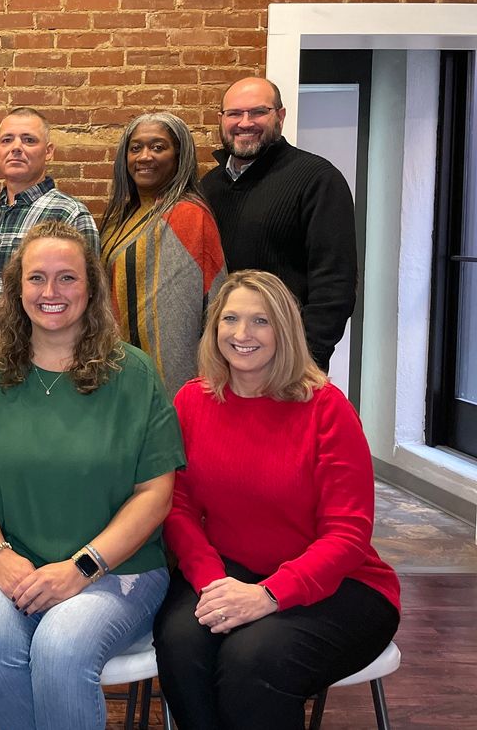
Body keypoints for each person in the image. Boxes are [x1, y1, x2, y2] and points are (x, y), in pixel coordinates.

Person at [0, 220, 184, 730]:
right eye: (37, 278)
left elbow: (156, 493)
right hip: (10, 556)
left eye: (67, 278)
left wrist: (82, 567)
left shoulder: (135, 373)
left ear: (92, 287)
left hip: (118, 569)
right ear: (17, 290)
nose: (50, 292)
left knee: (60, 649)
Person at [153, 270, 400, 730]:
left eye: (260, 321)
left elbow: (348, 535)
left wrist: (269, 595)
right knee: (181, 644)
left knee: (252, 662)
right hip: (229, 569)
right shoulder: (193, 401)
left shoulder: (327, 408)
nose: (242, 334)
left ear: (284, 330)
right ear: (215, 329)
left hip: (343, 584)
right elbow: (179, 505)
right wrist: (211, 582)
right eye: (231, 319)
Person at [201, 77, 357, 370]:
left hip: (288, 367)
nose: (245, 122)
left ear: (280, 116)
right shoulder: (209, 186)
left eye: (258, 112)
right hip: (223, 359)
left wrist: (304, 359)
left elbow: (334, 285)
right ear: (221, 119)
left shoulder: (318, 179)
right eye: (234, 113)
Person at [0, 106, 99, 400]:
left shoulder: (69, 214)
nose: (16, 148)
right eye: (7, 140)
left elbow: (87, 301)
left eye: (28, 140)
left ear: (49, 152)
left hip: (40, 374)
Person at [101, 111, 227, 398]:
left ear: (178, 156)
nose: (144, 156)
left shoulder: (189, 215)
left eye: (158, 147)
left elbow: (204, 305)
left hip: (172, 374)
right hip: (118, 363)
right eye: (136, 148)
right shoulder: (120, 218)